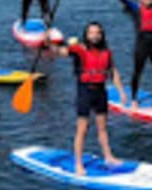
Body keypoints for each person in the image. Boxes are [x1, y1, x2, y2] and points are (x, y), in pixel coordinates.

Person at [49, 22, 125, 176]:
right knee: (82, 130)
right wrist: (49, 42)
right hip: (85, 91)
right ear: (87, 34)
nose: (95, 36)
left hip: (100, 91)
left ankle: (109, 156)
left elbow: (113, 72)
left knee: (102, 128)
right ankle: (78, 164)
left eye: (97, 33)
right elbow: (61, 52)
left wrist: (121, 91)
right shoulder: (79, 49)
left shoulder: (107, 52)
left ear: (101, 35)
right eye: (91, 33)